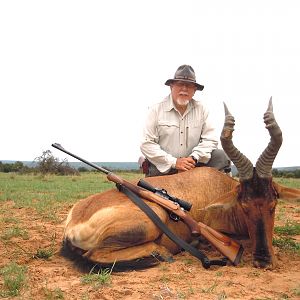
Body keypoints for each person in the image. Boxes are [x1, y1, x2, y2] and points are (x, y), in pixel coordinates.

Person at [140, 64, 231, 177]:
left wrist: (193, 158)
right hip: (164, 167)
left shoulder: (202, 110)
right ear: (171, 86)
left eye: (189, 85)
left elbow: (210, 140)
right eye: (180, 84)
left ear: (194, 90)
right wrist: (175, 162)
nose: (184, 89)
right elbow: (146, 144)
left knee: (221, 156)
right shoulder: (155, 110)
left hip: (193, 166)